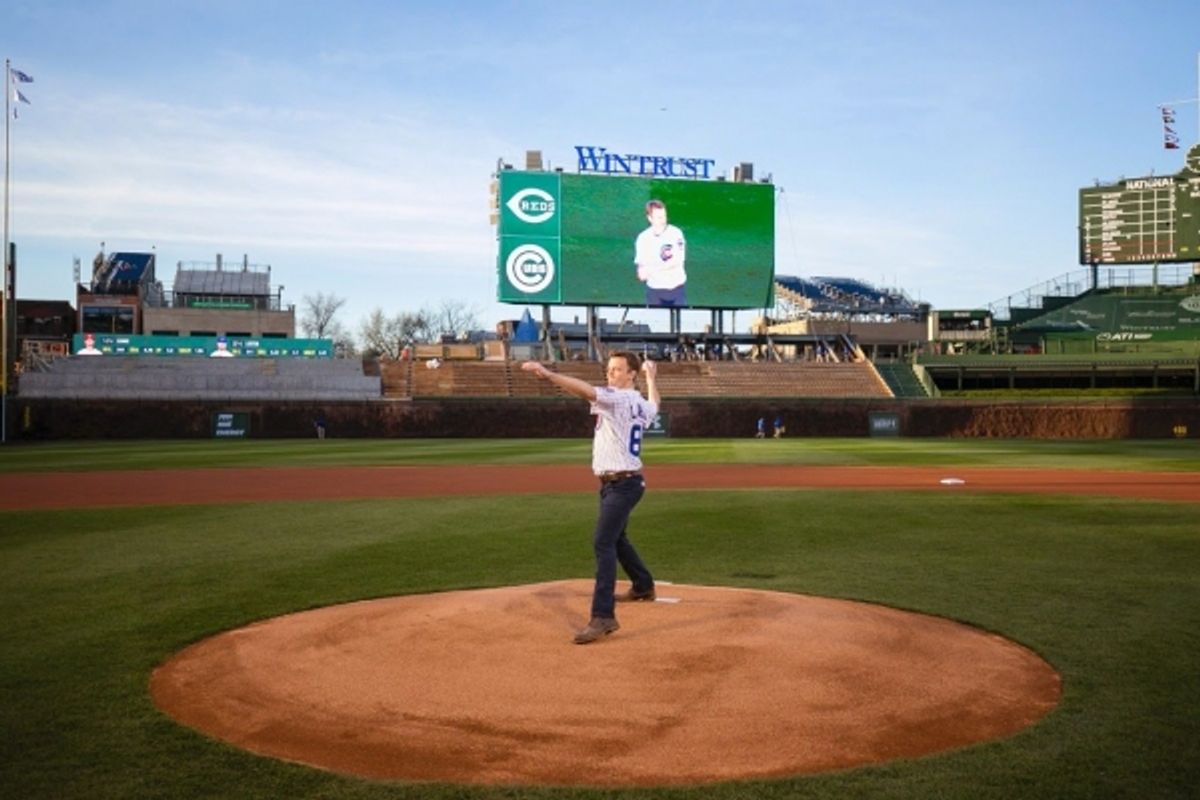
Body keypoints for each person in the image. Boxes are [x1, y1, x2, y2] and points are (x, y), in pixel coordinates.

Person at [521, 352, 660, 644]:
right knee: (617, 538)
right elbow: (655, 405)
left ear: (630, 374)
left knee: (603, 541)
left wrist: (548, 375)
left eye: (617, 370)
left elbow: (584, 390)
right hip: (623, 483)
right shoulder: (638, 402)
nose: (610, 374)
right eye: (609, 369)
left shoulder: (618, 398)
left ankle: (603, 616)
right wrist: (651, 378)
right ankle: (643, 585)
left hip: (623, 484)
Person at [634, 199, 687, 307]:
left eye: (664, 216)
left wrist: (652, 269)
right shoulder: (643, 238)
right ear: (650, 218)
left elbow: (678, 259)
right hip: (655, 291)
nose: (663, 220)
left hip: (676, 288)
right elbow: (641, 267)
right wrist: (641, 272)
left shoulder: (676, 233)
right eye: (658, 217)